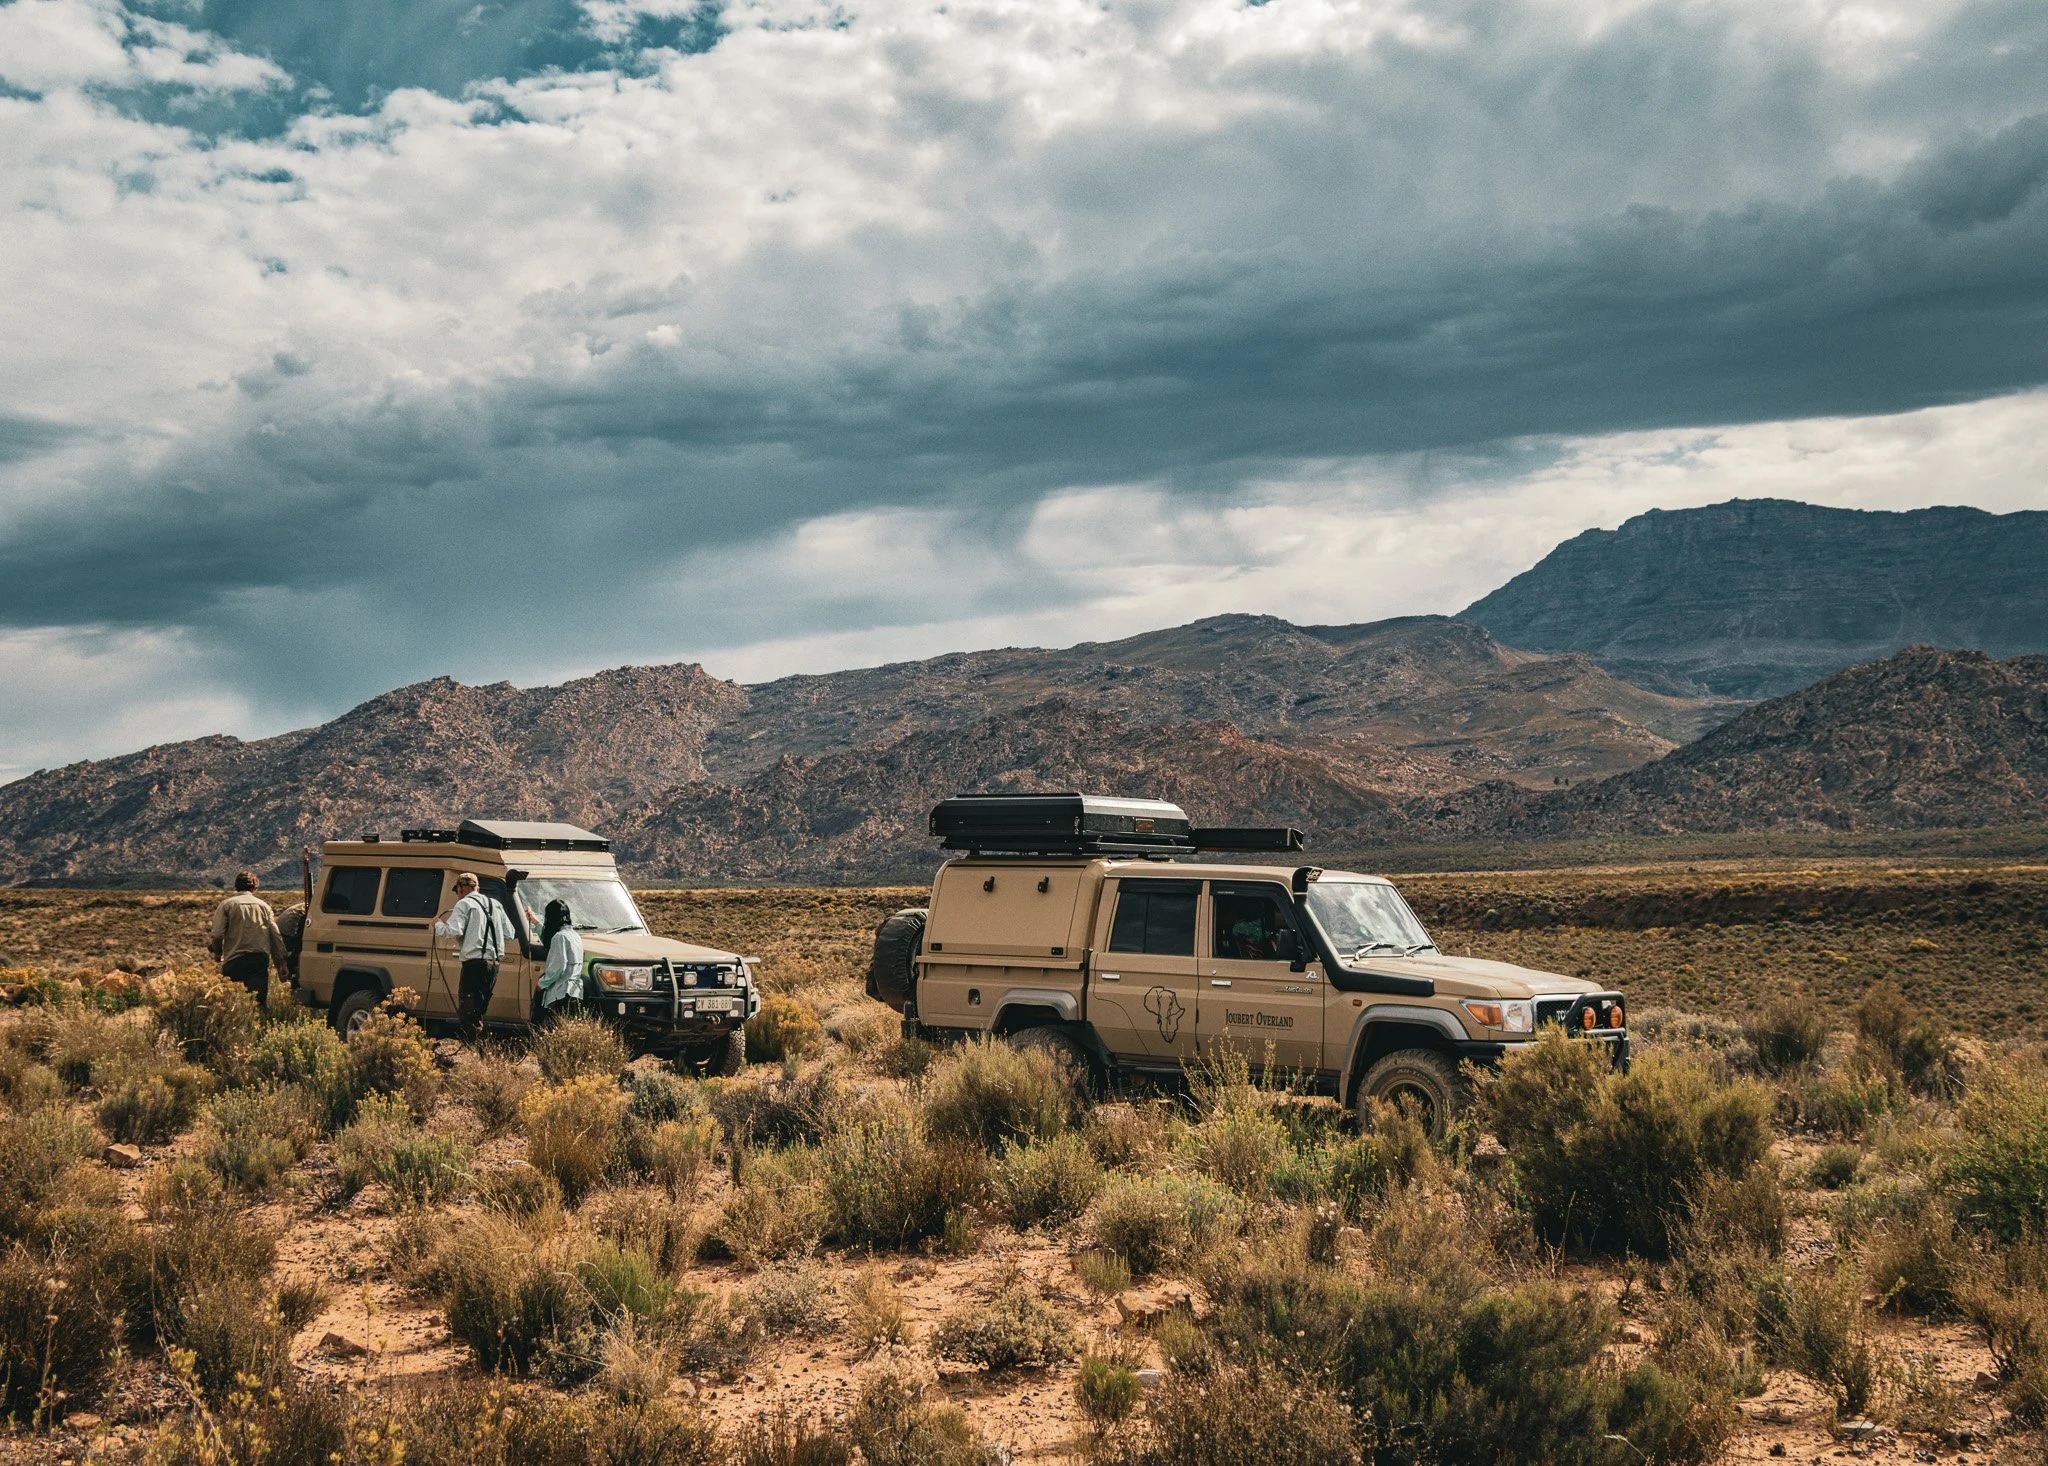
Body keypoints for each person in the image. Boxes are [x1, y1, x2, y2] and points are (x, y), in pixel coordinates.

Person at [435, 872, 511, 1036]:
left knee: (468, 1012)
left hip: (474, 965)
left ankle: (472, 1053)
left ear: (461, 888)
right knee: (478, 1011)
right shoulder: (495, 904)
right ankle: (480, 1051)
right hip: (493, 965)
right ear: (477, 887)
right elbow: (509, 933)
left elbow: (453, 931)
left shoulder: (464, 904)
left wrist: (438, 925)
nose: (457, 895)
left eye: (457, 891)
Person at [208, 871, 287, 1009]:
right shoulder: (264, 906)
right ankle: (260, 1029)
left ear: (236, 886)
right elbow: (275, 936)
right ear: (254, 887)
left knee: (232, 1006)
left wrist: (217, 953)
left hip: (234, 961)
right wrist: (281, 963)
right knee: (259, 1005)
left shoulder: (226, 905)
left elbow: (217, 935)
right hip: (258, 961)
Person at [534, 899, 585, 1017]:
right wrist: (536, 923)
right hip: (574, 992)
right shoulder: (574, 935)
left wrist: (542, 983)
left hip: (560, 993)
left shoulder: (559, 937)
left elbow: (558, 967)